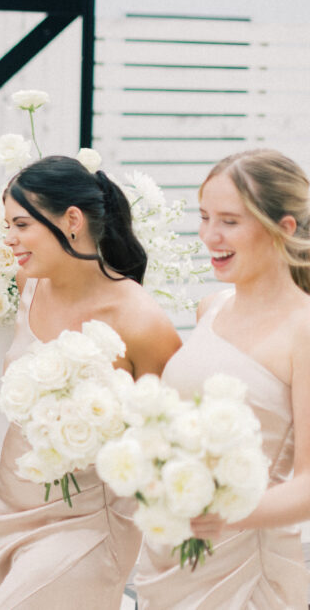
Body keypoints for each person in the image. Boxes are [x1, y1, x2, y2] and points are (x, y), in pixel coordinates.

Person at [0, 155, 180, 608]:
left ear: (71, 220)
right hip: (8, 507)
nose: (9, 239)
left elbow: (166, 438)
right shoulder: (29, 285)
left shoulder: (141, 320)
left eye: (21, 224)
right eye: (7, 225)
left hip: (88, 520)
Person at [133, 149, 310, 609]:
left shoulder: (304, 330)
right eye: (205, 216)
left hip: (249, 562)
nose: (210, 235)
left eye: (229, 221)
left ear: (283, 229)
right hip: (170, 555)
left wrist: (228, 513)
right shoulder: (209, 310)